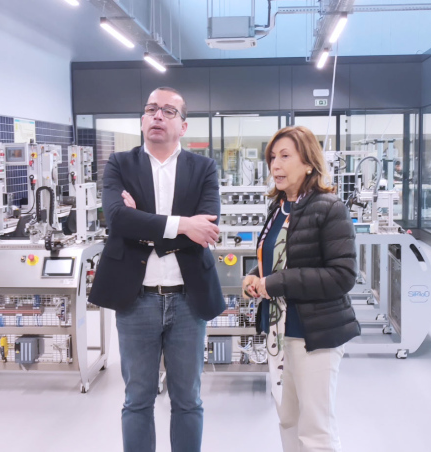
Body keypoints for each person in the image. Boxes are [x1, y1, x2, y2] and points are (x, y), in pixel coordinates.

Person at [89, 87, 225, 452]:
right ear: (142, 120)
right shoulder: (120, 163)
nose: (157, 116)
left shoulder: (204, 168)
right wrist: (183, 225)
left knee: (188, 400)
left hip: (188, 300)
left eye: (168, 111)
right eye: (151, 109)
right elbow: (118, 220)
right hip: (137, 301)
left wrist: (144, 223)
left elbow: (207, 228)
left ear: (183, 125)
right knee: (137, 399)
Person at [242, 125, 360, 452]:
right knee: (288, 421)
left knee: (316, 431)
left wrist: (274, 284)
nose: (275, 165)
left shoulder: (329, 207)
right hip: (280, 333)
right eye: (272, 157)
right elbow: (281, 257)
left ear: (308, 163)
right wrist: (255, 276)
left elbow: (342, 275)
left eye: (285, 156)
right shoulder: (279, 208)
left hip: (314, 335)